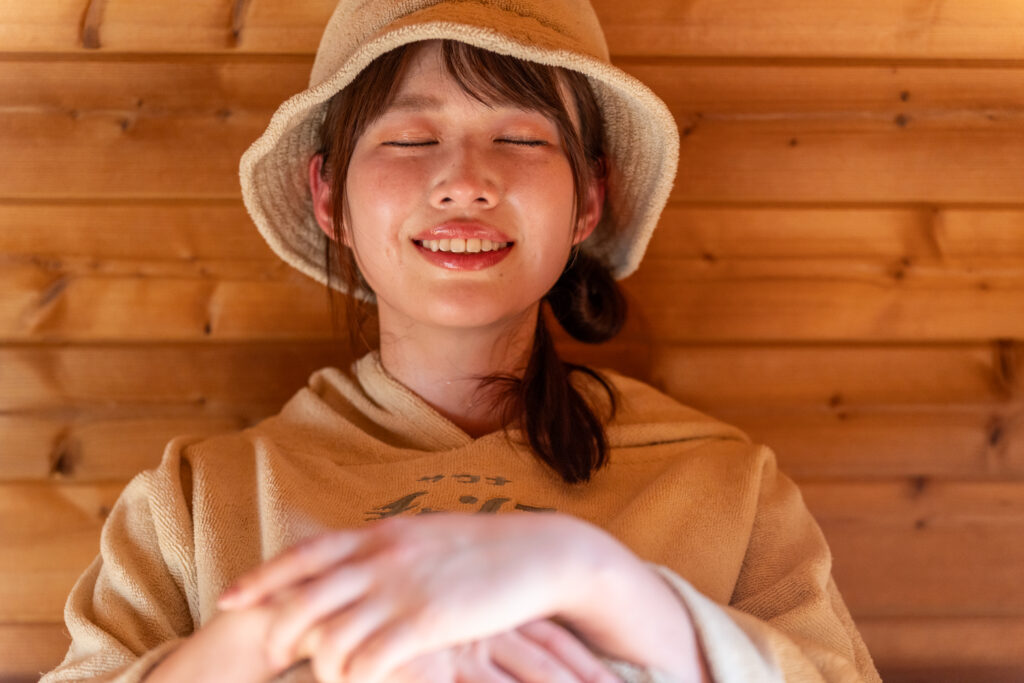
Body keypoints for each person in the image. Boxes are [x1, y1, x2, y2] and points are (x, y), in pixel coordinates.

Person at [42, 1, 882, 682]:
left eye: (520, 138)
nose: (466, 184)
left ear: (589, 198)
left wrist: (602, 580)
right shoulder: (197, 502)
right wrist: (272, 635)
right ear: (328, 194)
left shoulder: (728, 485)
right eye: (410, 139)